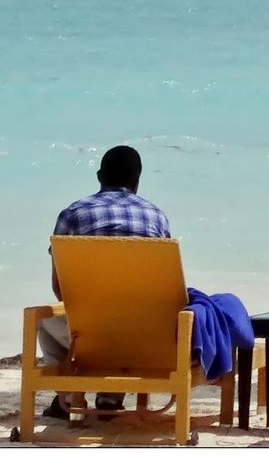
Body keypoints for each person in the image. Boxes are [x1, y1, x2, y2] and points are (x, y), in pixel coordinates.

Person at [39, 145, 175, 419]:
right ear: (137, 181)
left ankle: (68, 397)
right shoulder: (156, 217)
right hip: (144, 338)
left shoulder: (72, 214)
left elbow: (60, 289)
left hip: (87, 336)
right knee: (132, 314)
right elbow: (162, 289)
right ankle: (110, 398)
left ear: (100, 176)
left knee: (43, 321)